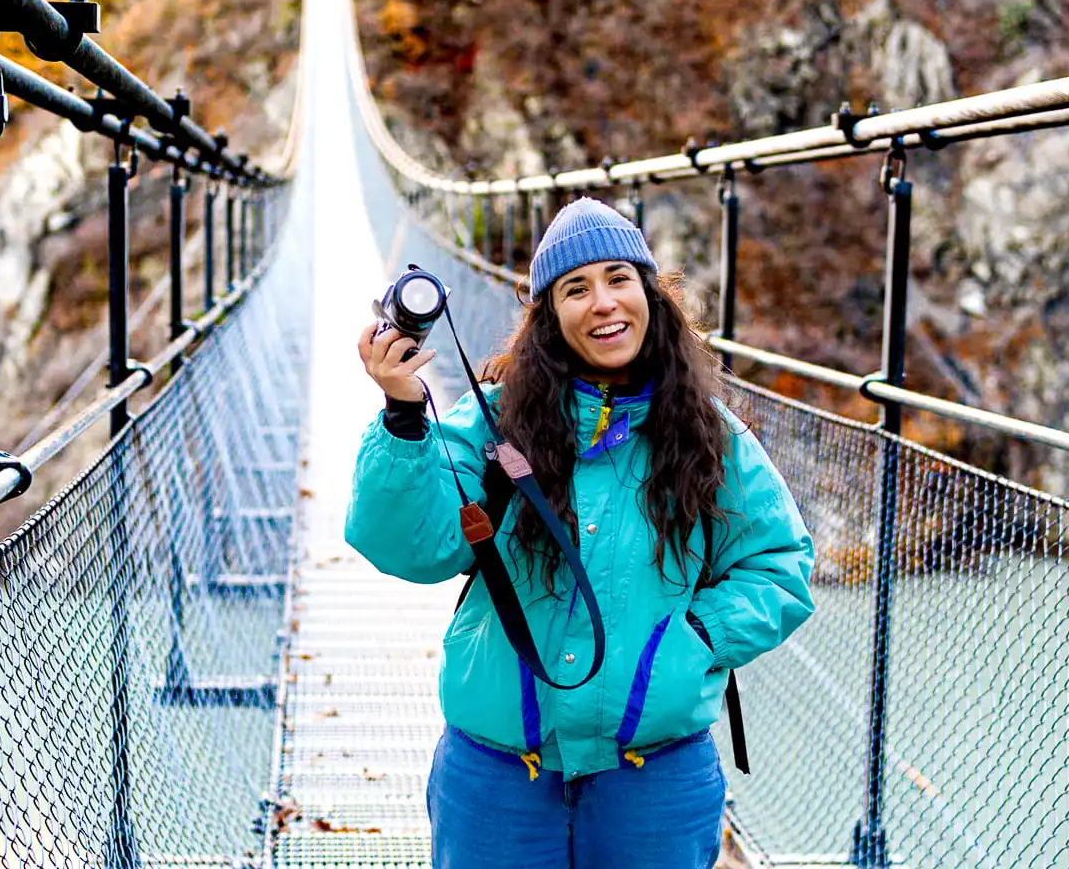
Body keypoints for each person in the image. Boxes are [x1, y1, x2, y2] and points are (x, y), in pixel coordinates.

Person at [346, 197, 815, 869]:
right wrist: (401, 415)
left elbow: (780, 565)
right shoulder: (491, 421)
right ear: (548, 317)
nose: (603, 302)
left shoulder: (708, 434)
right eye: (575, 288)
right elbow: (408, 547)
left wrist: (698, 638)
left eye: (619, 278)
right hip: (500, 773)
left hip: (654, 776)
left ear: (650, 295)